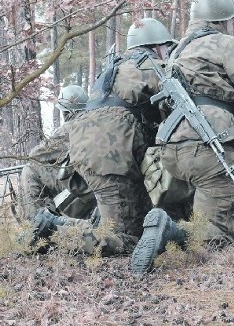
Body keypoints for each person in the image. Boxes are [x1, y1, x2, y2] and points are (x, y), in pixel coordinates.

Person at [129, 0, 234, 273]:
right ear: (224, 20)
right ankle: (169, 231)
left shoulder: (176, 50)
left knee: (202, 213)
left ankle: (168, 227)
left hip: (171, 150)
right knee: (220, 237)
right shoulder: (223, 43)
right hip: (209, 146)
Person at [32, 18, 176, 255]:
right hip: (113, 153)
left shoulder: (112, 69)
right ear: (156, 46)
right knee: (127, 238)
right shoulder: (154, 67)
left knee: (130, 219)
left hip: (84, 149)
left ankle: (59, 228)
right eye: (165, 47)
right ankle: (56, 230)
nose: (167, 52)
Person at [18, 85, 97, 222]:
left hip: (84, 187)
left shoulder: (71, 127)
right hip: (97, 183)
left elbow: (36, 155)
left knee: (30, 169)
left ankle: (34, 224)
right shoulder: (97, 122)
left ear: (66, 112)